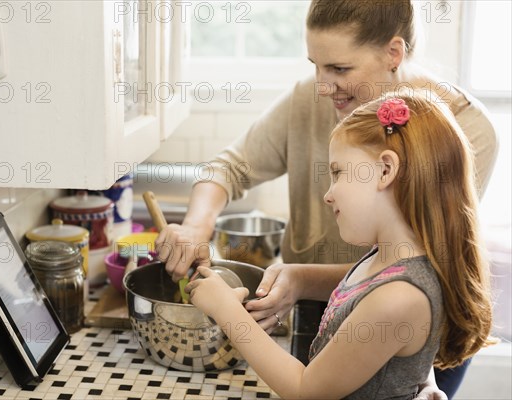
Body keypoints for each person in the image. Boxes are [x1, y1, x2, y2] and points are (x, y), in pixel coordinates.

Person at [154, 0, 499, 396]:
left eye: (339, 68)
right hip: (343, 303)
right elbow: (229, 168)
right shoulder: (313, 96)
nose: (322, 85)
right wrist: (198, 226)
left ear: (393, 53)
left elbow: (422, 270)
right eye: (315, 65)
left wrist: (419, 375)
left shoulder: (460, 132)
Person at [184, 91, 494, 399]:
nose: (328, 194)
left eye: (338, 172)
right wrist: (422, 380)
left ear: (386, 170)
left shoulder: (400, 295)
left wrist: (226, 310)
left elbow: (306, 389)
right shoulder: (386, 257)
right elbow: (400, 347)